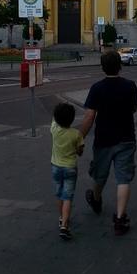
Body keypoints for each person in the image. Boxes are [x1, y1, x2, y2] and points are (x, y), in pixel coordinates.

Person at [80, 50, 137, 236]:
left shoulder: (97, 88)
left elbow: (89, 116)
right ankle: (120, 219)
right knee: (123, 179)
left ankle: (96, 199)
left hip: (103, 139)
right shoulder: (130, 86)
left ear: (102, 67)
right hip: (126, 138)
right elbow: (134, 108)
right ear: (120, 66)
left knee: (100, 175)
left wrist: (79, 137)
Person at [50, 102, 84, 241]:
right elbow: (80, 151)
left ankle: (61, 218)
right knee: (68, 196)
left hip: (56, 167)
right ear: (72, 119)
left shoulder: (54, 129)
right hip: (70, 168)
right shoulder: (76, 134)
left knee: (59, 193)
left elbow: (54, 119)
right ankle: (65, 225)